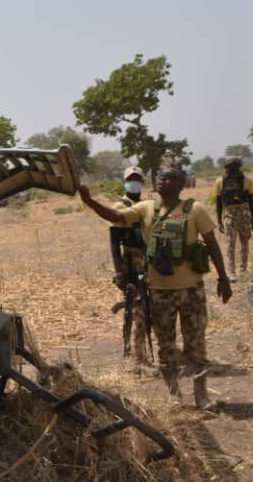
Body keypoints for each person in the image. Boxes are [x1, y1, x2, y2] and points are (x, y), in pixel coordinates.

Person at [79, 166, 233, 409]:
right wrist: (89, 201)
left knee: (197, 343)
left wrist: (224, 278)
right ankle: (174, 394)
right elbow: (116, 218)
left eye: (169, 177)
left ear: (181, 184)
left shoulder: (195, 210)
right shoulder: (146, 208)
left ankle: (201, 395)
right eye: (159, 177)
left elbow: (212, 244)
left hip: (191, 289)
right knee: (165, 344)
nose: (162, 180)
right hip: (159, 291)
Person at [109, 166, 149, 368]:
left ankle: (142, 353)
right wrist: (119, 272)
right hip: (131, 264)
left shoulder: (146, 205)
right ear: (125, 181)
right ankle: (137, 356)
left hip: (149, 262)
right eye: (130, 179)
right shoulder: (119, 206)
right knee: (137, 309)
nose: (134, 182)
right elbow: (115, 243)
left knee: (148, 308)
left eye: (137, 178)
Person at [214, 157, 253, 278]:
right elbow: (219, 203)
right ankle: (233, 271)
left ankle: (241, 270)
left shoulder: (246, 181)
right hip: (232, 214)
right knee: (232, 244)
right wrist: (219, 221)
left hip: (241, 213)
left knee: (242, 243)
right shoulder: (220, 182)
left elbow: (251, 201)